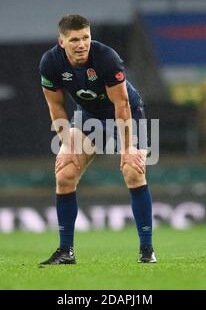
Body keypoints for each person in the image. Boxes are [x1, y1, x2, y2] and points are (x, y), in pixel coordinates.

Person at [38, 14, 156, 264]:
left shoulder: (105, 58)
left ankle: (147, 250)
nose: (81, 44)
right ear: (62, 42)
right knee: (65, 173)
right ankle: (65, 251)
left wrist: (127, 149)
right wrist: (67, 145)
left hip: (127, 114)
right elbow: (56, 107)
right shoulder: (50, 62)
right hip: (88, 116)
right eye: (74, 40)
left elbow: (122, 104)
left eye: (85, 38)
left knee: (133, 170)